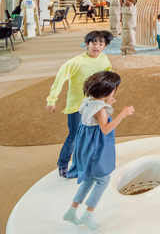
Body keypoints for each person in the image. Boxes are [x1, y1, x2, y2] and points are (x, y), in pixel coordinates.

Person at [63, 71, 134, 230]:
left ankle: (72, 211)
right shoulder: (100, 108)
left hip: (85, 145)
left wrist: (107, 103)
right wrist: (122, 114)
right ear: (108, 90)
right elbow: (105, 129)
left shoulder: (88, 101)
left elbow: (94, 117)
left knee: (89, 179)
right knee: (103, 179)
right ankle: (88, 214)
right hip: (95, 147)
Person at [46, 30, 113, 178]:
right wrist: (51, 100)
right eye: (94, 43)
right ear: (87, 44)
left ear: (105, 46)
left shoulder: (104, 59)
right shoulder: (74, 63)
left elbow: (108, 77)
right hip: (77, 106)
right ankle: (63, 163)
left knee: (94, 135)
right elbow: (59, 80)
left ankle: (88, 162)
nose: (97, 46)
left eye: (101, 44)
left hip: (96, 104)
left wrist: (108, 96)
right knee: (74, 137)